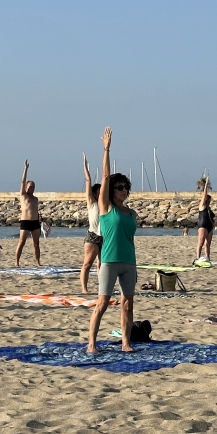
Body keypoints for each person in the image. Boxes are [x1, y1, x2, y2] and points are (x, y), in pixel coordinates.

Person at [87, 127, 137, 354]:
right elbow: (105, 176)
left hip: (129, 262)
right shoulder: (106, 209)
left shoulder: (130, 213)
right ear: (111, 191)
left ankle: (126, 342)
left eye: (126, 187)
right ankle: (91, 344)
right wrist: (106, 149)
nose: (123, 190)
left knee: (127, 304)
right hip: (109, 260)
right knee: (102, 304)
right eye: (120, 187)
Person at [80, 153, 102, 293]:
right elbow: (88, 181)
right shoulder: (92, 203)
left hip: (104, 236)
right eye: (99, 191)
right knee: (87, 264)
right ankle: (84, 288)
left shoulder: (107, 204)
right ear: (94, 193)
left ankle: (102, 288)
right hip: (93, 236)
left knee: (102, 264)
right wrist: (85, 166)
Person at [15, 160, 42, 266]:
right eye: (30, 186)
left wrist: (40, 219)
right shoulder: (23, 195)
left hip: (35, 222)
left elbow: (35, 210)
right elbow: (22, 181)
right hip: (25, 222)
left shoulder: (35, 199)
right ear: (26, 187)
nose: (31, 188)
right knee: (21, 242)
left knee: (36, 244)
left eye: (33, 186)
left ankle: (37, 261)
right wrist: (25, 169)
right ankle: (17, 262)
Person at [195, 177, 214, 265]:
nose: (209, 202)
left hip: (209, 226)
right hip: (203, 226)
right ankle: (197, 258)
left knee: (207, 244)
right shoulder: (202, 205)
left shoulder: (209, 209)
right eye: (208, 200)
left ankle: (208, 258)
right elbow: (204, 194)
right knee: (201, 243)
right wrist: (206, 184)